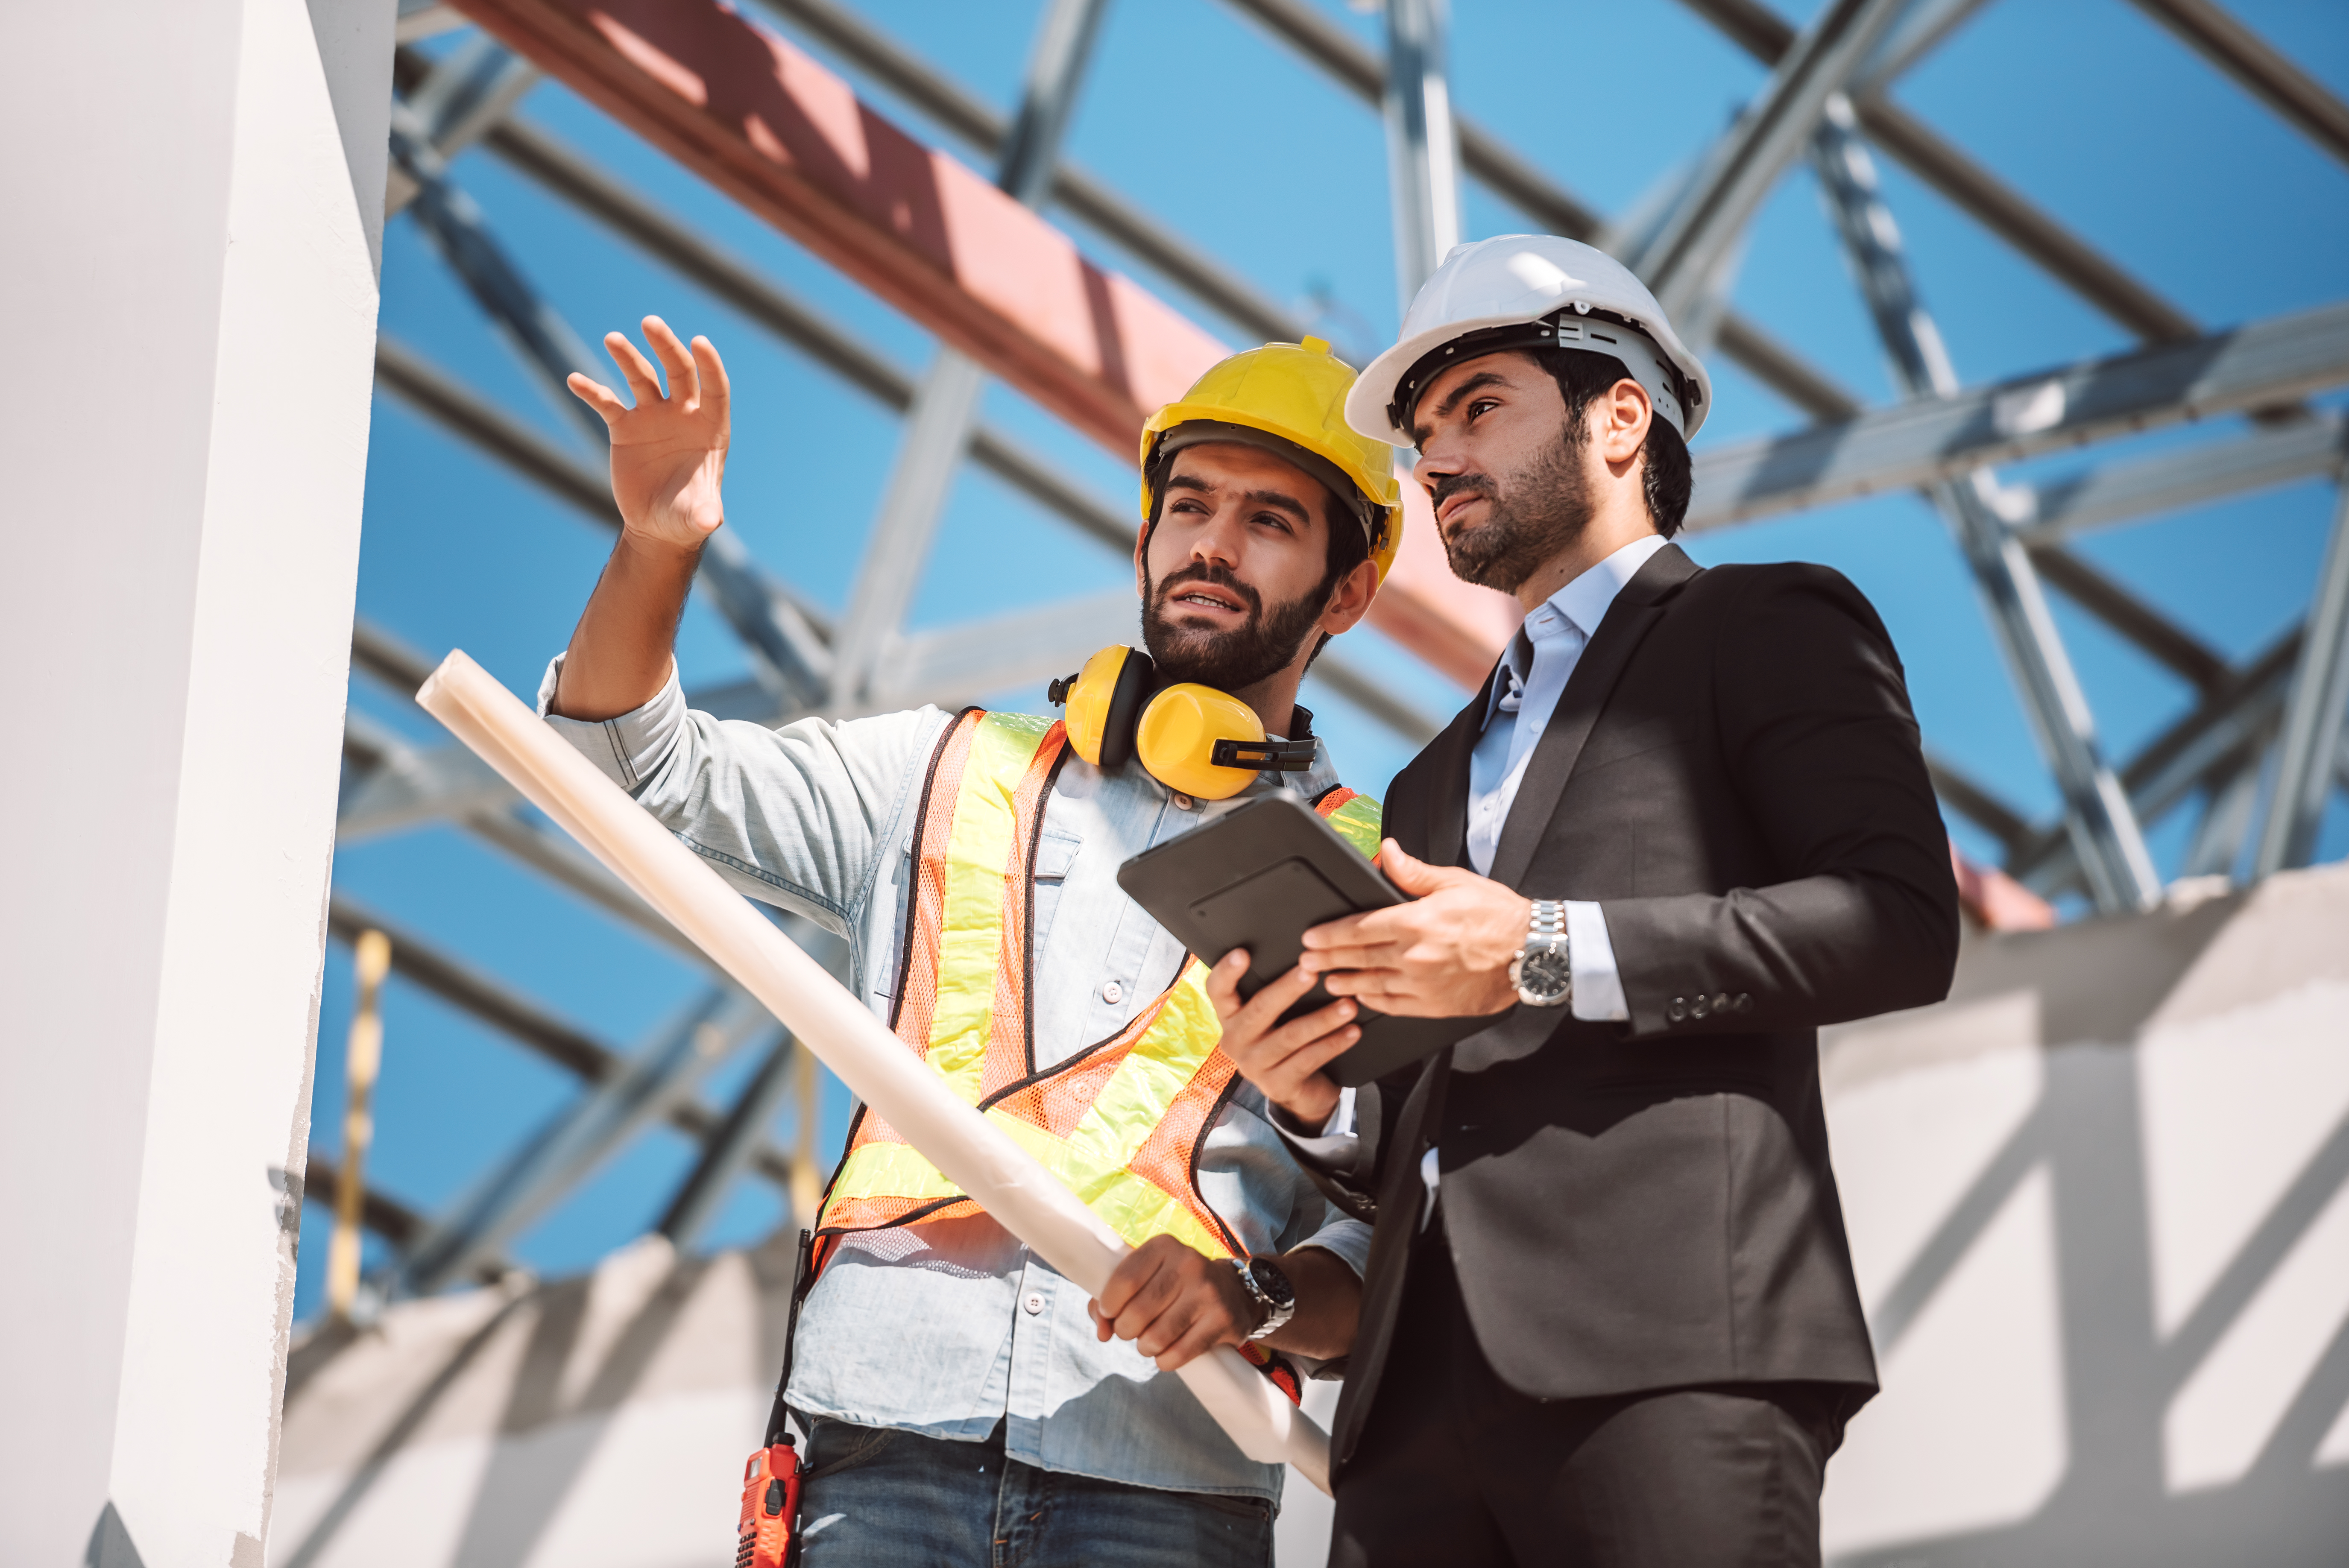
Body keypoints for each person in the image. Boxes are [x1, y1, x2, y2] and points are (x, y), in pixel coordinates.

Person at [541, 318, 1404, 1564]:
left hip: (1170, 1488)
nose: (1212, 543)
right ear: (1145, 533)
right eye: (1191, 505)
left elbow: (1400, 1244)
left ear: (1350, 588)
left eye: (1270, 521)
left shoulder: (1374, 873)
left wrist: (1252, 1297)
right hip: (877, 1446)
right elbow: (627, 772)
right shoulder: (942, 767)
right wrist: (657, 543)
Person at [1212, 236, 1962, 1568]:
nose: (1436, 457)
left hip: (1667, 1352)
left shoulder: (1763, 623)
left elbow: (1896, 922)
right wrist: (1311, 1094)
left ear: (1621, 416)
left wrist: (1543, 950)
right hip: (1409, 1413)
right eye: (1423, 432)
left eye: (1478, 407)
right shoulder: (1429, 776)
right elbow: (1418, 1113)